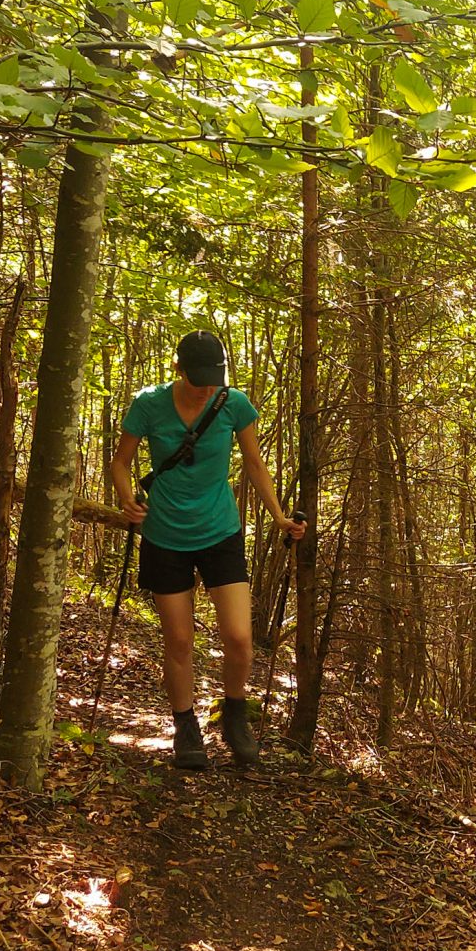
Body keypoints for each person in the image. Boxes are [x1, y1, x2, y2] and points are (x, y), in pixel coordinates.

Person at [109, 330, 305, 769]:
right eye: (197, 380)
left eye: (212, 379)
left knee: (239, 639)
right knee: (179, 640)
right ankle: (186, 728)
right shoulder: (148, 404)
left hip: (220, 530)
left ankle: (235, 713)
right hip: (164, 535)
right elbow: (121, 463)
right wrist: (126, 499)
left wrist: (277, 516)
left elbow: (254, 462)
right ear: (177, 369)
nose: (205, 389)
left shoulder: (234, 404)